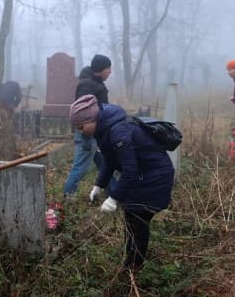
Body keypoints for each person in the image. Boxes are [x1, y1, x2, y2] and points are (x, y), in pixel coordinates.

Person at [69, 94, 175, 271]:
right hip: (144, 176)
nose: (80, 131)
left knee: (138, 220)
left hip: (154, 178)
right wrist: (99, 185)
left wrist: (113, 198)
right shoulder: (105, 129)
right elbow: (110, 160)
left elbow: (130, 169)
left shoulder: (118, 131)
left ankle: (134, 267)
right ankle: (130, 261)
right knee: (131, 217)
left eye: (81, 126)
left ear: (92, 119)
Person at [63, 54, 115, 199]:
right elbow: (81, 112)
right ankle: (68, 197)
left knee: (104, 163)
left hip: (96, 132)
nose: (110, 71)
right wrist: (87, 130)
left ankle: (114, 191)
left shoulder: (95, 82)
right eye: (108, 68)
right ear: (100, 69)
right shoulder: (88, 85)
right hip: (88, 133)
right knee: (80, 167)